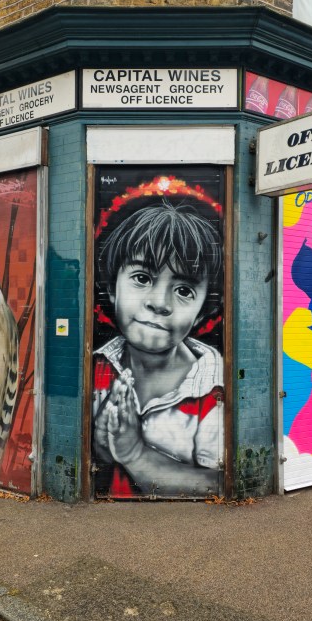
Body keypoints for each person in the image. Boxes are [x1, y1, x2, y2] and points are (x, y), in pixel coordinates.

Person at [93, 197, 224, 497]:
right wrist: (103, 444)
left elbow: (217, 484)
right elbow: (99, 465)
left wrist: (135, 453)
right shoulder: (96, 369)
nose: (159, 303)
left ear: (202, 313)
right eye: (142, 278)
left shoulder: (213, 390)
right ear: (112, 287)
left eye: (184, 290)